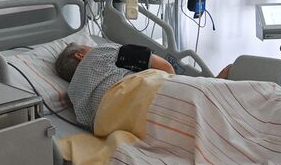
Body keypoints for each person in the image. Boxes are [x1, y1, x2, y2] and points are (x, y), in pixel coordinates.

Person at [54, 41, 230, 129]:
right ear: (80, 56)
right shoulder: (99, 53)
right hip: (144, 98)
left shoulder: (74, 95)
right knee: (229, 74)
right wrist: (178, 86)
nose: (93, 47)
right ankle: (212, 89)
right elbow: (164, 67)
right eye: (88, 46)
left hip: (120, 126)